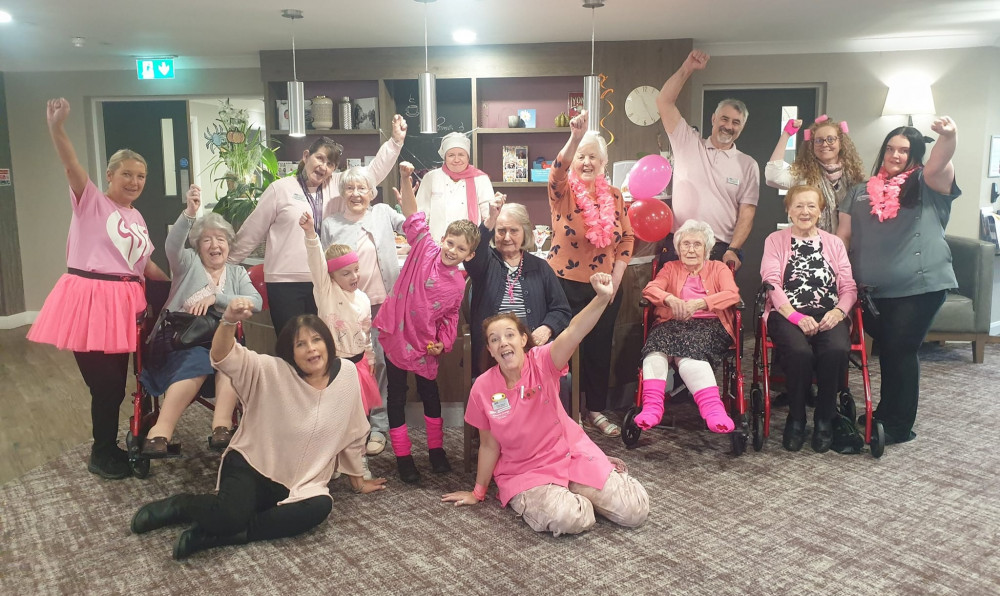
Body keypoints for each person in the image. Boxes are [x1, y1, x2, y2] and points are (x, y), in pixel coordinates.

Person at [130, 301, 387, 560]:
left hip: (303, 481)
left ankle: (226, 534)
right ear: (290, 352)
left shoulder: (347, 375)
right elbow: (224, 356)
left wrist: (358, 480)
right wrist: (228, 321)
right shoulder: (270, 370)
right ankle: (180, 506)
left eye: (316, 340)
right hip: (252, 466)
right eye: (300, 344)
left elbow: (354, 431)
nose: (311, 349)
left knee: (320, 507)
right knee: (229, 515)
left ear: (328, 343)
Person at [441, 273, 649, 536]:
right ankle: (575, 494)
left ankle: (585, 483)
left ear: (523, 340)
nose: (503, 342)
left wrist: (602, 298)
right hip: (526, 471)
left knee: (635, 510)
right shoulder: (482, 388)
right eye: (495, 340)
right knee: (571, 518)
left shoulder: (542, 361)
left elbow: (574, 331)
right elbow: (489, 444)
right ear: (491, 351)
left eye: (509, 335)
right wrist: (478, 491)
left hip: (569, 453)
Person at [27, 98, 169, 480]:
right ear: (109, 175)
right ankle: (101, 451)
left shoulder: (136, 215)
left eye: (141, 176)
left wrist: (185, 280)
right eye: (126, 174)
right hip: (91, 301)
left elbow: (144, 264)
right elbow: (71, 165)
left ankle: (109, 446)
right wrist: (57, 128)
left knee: (118, 387)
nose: (134, 182)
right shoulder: (90, 201)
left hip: (125, 303)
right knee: (105, 386)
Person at [228, 115, 407, 338]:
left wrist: (395, 142)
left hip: (323, 282)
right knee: (291, 343)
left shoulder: (337, 188)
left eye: (330, 164)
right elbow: (251, 233)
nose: (323, 167)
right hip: (285, 282)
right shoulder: (280, 189)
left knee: (323, 346)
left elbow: (372, 174)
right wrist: (224, 266)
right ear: (306, 156)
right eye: (319, 158)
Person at [838, 117, 959, 446]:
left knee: (900, 349)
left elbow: (941, 161)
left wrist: (949, 136)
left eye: (904, 150)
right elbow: (843, 238)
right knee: (889, 351)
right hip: (871, 293)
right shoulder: (859, 192)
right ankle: (885, 413)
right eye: (890, 148)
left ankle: (899, 425)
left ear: (916, 154)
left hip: (918, 287)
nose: (895, 155)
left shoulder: (926, 183)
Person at [373, 161, 480, 483]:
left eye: (461, 248)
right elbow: (412, 213)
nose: (453, 250)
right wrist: (406, 179)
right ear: (443, 237)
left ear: (469, 255)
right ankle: (403, 457)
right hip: (396, 334)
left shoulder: (458, 285)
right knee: (395, 395)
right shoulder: (423, 246)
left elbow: (449, 319)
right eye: (451, 242)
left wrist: (443, 344)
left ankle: (436, 451)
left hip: (425, 346)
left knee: (429, 394)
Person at [139, 185, 262, 456]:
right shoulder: (188, 262)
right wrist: (190, 213)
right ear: (197, 246)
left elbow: (257, 303)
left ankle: (221, 429)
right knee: (198, 359)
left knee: (228, 361)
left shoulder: (238, 274)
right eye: (207, 240)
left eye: (221, 239)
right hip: (177, 341)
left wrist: (216, 298)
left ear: (229, 245)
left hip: (220, 341)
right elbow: (172, 245)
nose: (215, 245)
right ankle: (160, 432)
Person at [546, 110, 634, 437]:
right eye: (581, 156)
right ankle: (565, 412)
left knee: (599, 349)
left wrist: (618, 277)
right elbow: (557, 170)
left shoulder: (614, 195)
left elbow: (626, 237)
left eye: (592, 157)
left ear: (603, 163)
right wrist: (573, 138)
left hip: (604, 288)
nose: (586, 162)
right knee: (566, 350)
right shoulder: (562, 190)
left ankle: (594, 408)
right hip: (564, 286)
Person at [760, 185, 856, 452]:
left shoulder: (834, 243)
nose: (805, 212)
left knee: (836, 349)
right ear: (789, 210)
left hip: (829, 313)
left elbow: (848, 287)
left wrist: (838, 313)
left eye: (811, 206)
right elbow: (771, 283)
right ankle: (797, 417)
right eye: (799, 206)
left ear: (820, 210)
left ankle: (825, 418)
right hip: (787, 313)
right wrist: (795, 316)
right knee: (799, 353)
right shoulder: (775, 240)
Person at [321, 166, 406, 458]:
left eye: (362, 188)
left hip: (383, 305)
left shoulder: (383, 213)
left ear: (372, 192)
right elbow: (323, 267)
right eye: (350, 188)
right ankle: (352, 428)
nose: (356, 194)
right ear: (342, 193)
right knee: (347, 367)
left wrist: (407, 190)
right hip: (346, 308)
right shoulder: (331, 223)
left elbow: (414, 226)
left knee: (378, 365)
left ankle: (378, 427)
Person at [631, 220, 739, 435]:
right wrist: (670, 299)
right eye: (685, 244)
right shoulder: (670, 268)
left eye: (697, 244)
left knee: (688, 349)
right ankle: (652, 407)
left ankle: (713, 410)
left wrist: (700, 303)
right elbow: (650, 290)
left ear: (707, 248)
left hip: (710, 325)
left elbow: (732, 294)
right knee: (656, 347)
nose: (691, 249)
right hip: (671, 324)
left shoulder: (718, 268)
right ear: (678, 248)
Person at [656, 50, 760, 269]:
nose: (729, 126)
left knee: (717, 304)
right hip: (679, 244)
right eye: (724, 118)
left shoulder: (748, 164)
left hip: (720, 249)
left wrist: (733, 249)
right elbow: (664, 101)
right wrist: (687, 68)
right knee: (668, 302)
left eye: (736, 122)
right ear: (713, 119)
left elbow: (747, 212)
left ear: (742, 127)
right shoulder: (687, 142)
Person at [465, 196, 571, 377]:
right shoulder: (484, 263)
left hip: (532, 347)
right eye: (501, 231)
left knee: (554, 376)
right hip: (494, 351)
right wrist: (490, 221)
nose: (507, 237)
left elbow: (561, 310)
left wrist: (547, 328)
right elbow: (474, 253)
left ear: (525, 233)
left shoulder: (540, 267)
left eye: (514, 231)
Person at [300, 212, 380, 425]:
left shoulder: (362, 298)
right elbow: (316, 260)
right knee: (335, 416)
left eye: (356, 270)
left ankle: (359, 454)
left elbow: (366, 332)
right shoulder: (326, 292)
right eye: (346, 273)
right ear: (332, 276)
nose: (354, 277)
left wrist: (370, 358)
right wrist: (310, 233)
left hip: (358, 364)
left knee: (360, 414)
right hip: (333, 365)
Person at [765, 115, 865, 234]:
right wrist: (786, 135)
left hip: (844, 247)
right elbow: (772, 177)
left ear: (841, 142)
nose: (824, 144)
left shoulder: (853, 176)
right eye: (818, 140)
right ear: (812, 145)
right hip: (807, 243)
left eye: (830, 139)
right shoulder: (803, 174)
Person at [416, 131, 495, 240]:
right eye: (451, 155)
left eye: (461, 155)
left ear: (468, 157)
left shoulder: (481, 179)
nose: (456, 160)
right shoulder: (431, 178)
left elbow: (488, 218)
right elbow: (421, 215)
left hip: (471, 246)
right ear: (445, 157)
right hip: (436, 245)